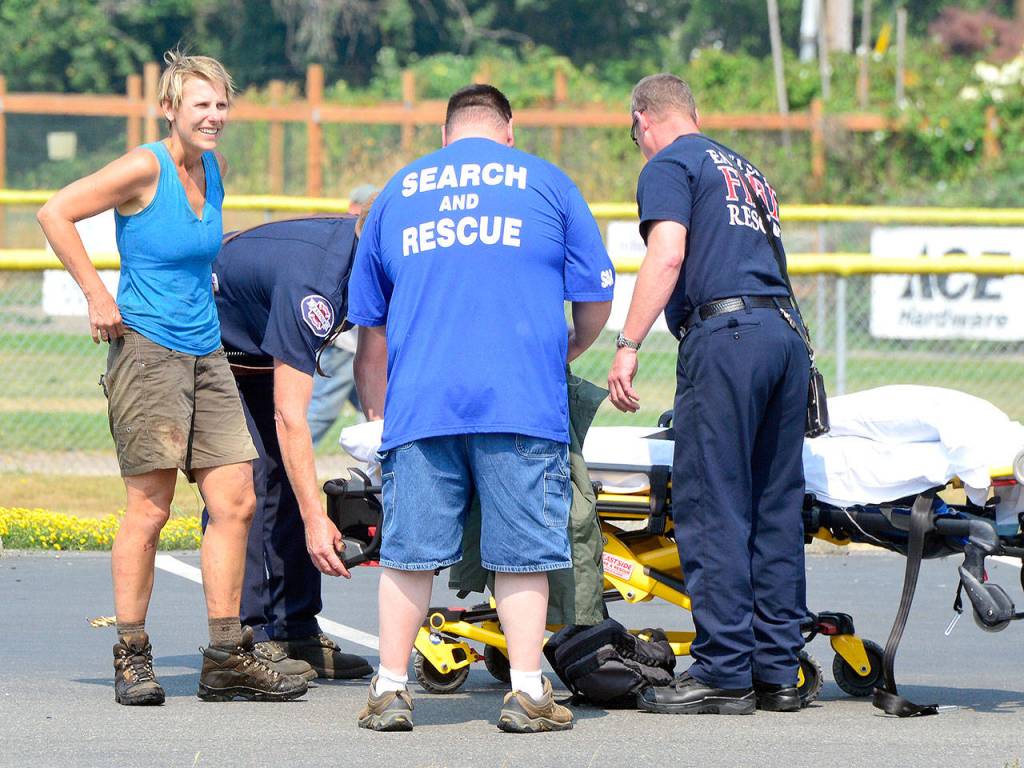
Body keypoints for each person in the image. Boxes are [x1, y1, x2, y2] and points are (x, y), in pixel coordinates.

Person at [36, 51, 307, 704]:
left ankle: (224, 655)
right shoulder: (143, 166)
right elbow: (54, 211)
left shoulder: (212, 168)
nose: (213, 117)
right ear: (169, 110)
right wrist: (99, 297)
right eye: (200, 106)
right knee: (150, 510)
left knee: (236, 498)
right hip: (147, 353)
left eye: (221, 106)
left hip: (206, 353)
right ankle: (131, 654)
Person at [349, 84, 614, 733]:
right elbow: (595, 294)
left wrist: (381, 414)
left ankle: (389, 688)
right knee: (521, 555)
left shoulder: (399, 191)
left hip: (421, 406)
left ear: (446, 135)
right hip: (520, 400)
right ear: (508, 131)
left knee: (410, 554)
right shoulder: (547, 183)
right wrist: (565, 350)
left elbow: (371, 329)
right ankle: (526, 692)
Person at [607, 73, 809, 715]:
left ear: (644, 118)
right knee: (774, 507)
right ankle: (777, 669)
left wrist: (629, 342)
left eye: (633, 130)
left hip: (729, 337)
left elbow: (667, 256)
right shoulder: (745, 168)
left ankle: (723, 670)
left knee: (712, 502)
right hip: (783, 335)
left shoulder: (670, 162)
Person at [211, 214, 373, 681]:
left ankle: (296, 627)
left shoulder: (370, 258)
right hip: (211, 352)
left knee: (290, 476)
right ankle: (249, 636)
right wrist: (313, 519)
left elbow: (371, 356)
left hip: (259, 351)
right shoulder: (316, 284)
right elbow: (289, 415)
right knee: (246, 487)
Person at [306, 184, 379, 446]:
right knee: (320, 413)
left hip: (364, 348)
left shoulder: (367, 235)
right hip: (346, 347)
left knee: (374, 413)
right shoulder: (350, 238)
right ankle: (284, 462)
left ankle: (372, 474)